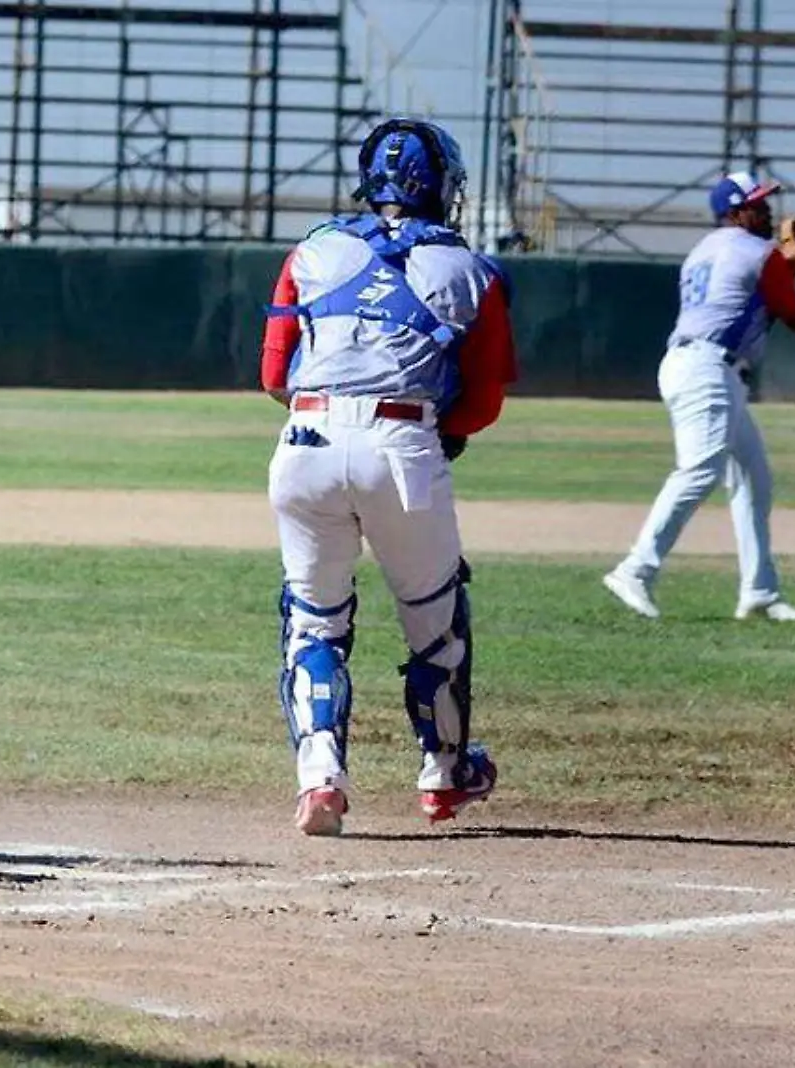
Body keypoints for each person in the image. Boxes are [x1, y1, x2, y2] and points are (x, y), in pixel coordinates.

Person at [260, 118, 519, 837]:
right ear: (441, 186)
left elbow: (273, 373)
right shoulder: (473, 270)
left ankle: (320, 784)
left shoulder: (311, 250)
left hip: (305, 439)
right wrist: (446, 431)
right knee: (434, 624)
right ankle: (443, 774)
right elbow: (484, 400)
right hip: (403, 443)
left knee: (313, 620)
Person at [601, 172, 795, 623]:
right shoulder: (759, 251)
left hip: (697, 364)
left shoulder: (703, 250)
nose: (766, 212)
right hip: (708, 367)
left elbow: (748, 295)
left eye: (765, 204)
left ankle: (759, 591)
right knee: (700, 469)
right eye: (757, 205)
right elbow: (793, 315)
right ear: (734, 211)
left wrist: (789, 267)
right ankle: (635, 570)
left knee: (752, 478)